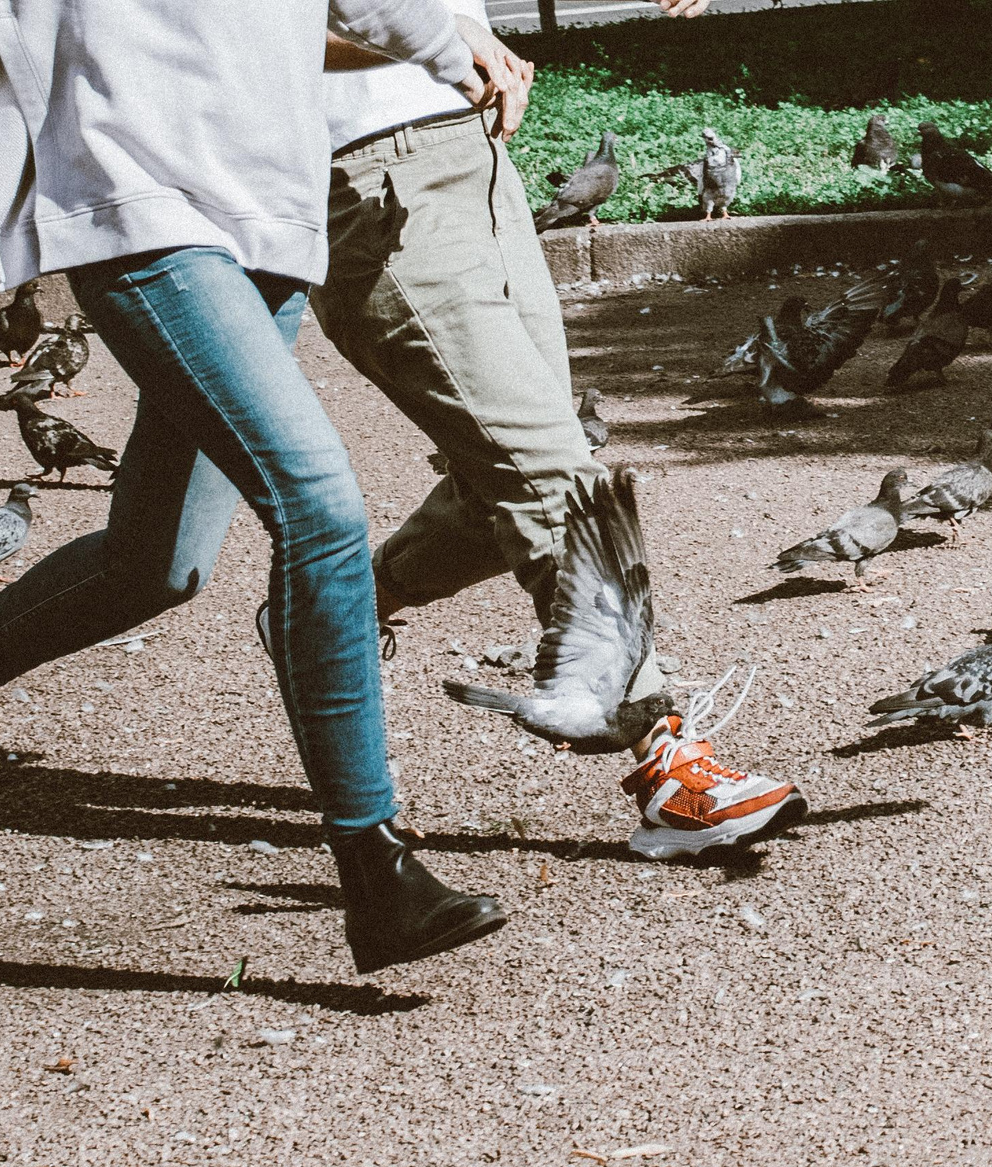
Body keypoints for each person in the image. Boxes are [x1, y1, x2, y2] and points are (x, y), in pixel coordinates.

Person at [0, 0, 520, 974]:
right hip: (143, 196)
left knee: (157, 564)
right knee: (319, 505)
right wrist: (455, 37)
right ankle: (374, 867)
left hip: (263, 214)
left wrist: (442, 51)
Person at [316, 0, 804, 860]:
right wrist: (438, 39)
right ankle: (668, 768)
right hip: (366, 182)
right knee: (552, 473)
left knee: (494, 482)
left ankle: (335, 613)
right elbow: (236, 38)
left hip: (475, 157)